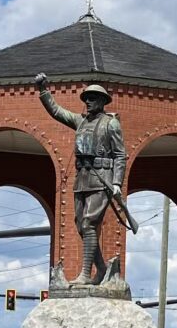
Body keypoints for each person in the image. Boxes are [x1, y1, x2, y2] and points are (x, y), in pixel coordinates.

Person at [34, 73, 126, 285]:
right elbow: (56, 111)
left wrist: (117, 183)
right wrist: (43, 90)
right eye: (86, 98)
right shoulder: (80, 121)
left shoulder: (110, 124)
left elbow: (120, 154)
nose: (88, 101)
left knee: (89, 223)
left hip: (102, 178)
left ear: (103, 101)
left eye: (93, 98)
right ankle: (101, 268)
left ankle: (86, 273)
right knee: (81, 225)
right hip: (82, 178)